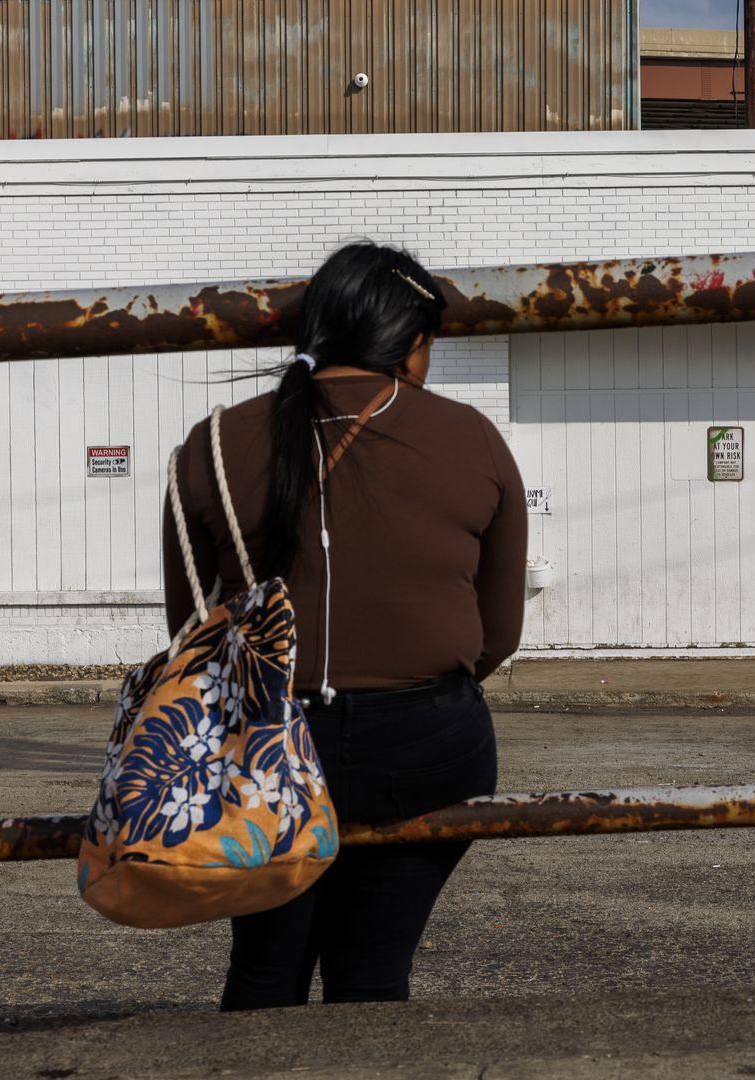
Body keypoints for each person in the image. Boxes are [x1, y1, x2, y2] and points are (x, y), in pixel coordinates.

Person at [163, 242, 527, 1010]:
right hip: (427, 748)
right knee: (372, 971)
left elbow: (190, 629)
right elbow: (497, 635)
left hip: (264, 746)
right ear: (413, 342)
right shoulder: (474, 440)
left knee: (266, 970)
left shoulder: (213, 444)